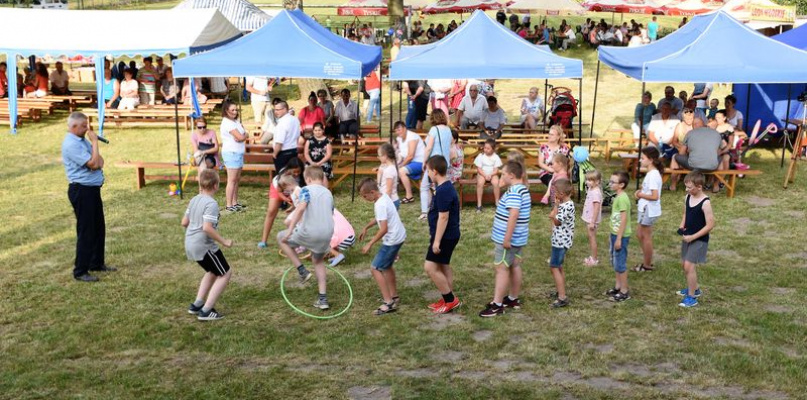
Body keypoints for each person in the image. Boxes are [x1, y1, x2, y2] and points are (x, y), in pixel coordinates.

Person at [61, 112, 116, 282]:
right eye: (84, 126)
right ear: (73, 126)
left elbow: (100, 162)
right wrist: (95, 142)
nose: (87, 129)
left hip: (91, 190)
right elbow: (93, 164)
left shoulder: (81, 140)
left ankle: (96, 263)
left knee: (98, 228)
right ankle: (80, 271)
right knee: (86, 231)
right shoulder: (71, 144)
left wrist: (93, 148)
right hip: (82, 190)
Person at [478, 161, 531, 317]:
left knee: (501, 268)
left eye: (503, 174)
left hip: (508, 240)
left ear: (511, 175)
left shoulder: (514, 192)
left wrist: (507, 239)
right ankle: (513, 299)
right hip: (519, 238)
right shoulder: (523, 189)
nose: (501, 177)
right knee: (514, 265)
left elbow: (513, 215)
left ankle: (497, 305)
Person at [278, 167, 335, 310]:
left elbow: (301, 208)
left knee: (280, 237)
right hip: (327, 234)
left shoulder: (305, 190)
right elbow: (330, 213)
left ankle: (302, 270)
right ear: (321, 178)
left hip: (309, 232)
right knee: (318, 261)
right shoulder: (328, 193)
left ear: (308, 179)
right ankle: (323, 299)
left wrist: (290, 230)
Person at [182, 169, 233, 321]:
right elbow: (207, 228)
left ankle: (197, 305)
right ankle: (206, 310)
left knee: (212, 271)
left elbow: (184, 222)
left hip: (189, 243)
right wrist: (224, 241)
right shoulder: (211, 204)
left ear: (201, 184)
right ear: (216, 185)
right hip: (204, 246)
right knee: (225, 273)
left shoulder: (194, 199)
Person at [358, 178, 406, 316]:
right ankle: (394, 297)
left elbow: (384, 229)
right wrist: (366, 227)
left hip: (392, 241)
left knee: (375, 268)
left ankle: (388, 303)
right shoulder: (383, 196)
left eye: (365, 196)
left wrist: (370, 243)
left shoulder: (380, 204)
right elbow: (380, 218)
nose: (364, 199)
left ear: (372, 192)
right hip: (399, 236)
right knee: (387, 266)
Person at [423, 156, 462, 314]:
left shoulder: (444, 191)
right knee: (443, 265)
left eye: (428, 170)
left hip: (445, 236)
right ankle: (448, 298)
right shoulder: (443, 187)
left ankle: (450, 300)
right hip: (448, 235)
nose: (427, 173)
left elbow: (444, 217)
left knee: (430, 267)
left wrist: (437, 241)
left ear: (434, 171)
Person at [677, 171, 715, 308]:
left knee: (689, 266)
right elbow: (686, 213)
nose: (686, 190)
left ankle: (692, 297)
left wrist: (693, 237)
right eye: (686, 187)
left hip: (699, 239)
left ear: (699, 187)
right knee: (684, 265)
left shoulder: (705, 203)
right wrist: (682, 226)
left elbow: (710, 224)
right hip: (688, 237)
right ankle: (695, 288)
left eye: (689, 187)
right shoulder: (688, 197)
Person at [259, 158, 304, 249]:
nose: (296, 174)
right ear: (289, 169)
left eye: (298, 172)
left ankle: (296, 240)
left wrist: (293, 204)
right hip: (278, 190)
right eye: (294, 172)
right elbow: (279, 191)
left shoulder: (303, 176)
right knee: (271, 211)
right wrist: (285, 199)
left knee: (298, 216)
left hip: (293, 192)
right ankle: (264, 241)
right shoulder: (282, 176)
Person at [669, 127, 726, 192]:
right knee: (721, 159)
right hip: (712, 166)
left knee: (674, 156)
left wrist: (690, 153)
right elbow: (718, 152)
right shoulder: (716, 133)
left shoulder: (690, 133)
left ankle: (673, 185)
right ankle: (716, 186)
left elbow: (681, 153)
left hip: (692, 166)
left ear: (693, 126)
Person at [419, 109, 453, 220]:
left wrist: (424, 161)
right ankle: (442, 209)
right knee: (441, 187)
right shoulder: (448, 130)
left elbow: (429, 148)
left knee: (424, 186)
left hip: (434, 162)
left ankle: (425, 211)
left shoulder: (434, 129)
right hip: (445, 162)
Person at [634, 147, 663, 272]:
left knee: (645, 236)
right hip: (645, 208)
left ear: (650, 160)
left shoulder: (653, 175)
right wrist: (641, 191)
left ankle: (647, 264)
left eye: (643, 158)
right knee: (640, 234)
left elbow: (655, 196)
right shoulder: (651, 174)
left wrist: (640, 195)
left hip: (648, 209)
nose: (640, 160)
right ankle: (646, 260)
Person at [547, 178, 575, 308]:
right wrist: (556, 207)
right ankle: (560, 291)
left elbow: (557, 222)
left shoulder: (567, 206)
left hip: (561, 241)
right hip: (559, 240)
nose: (554, 194)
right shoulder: (565, 204)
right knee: (559, 267)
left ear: (562, 194)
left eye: (555, 192)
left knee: (554, 267)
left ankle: (562, 297)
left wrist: (553, 215)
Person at [606, 171, 632, 302]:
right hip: (615, 234)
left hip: (620, 236)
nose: (610, 184)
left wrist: (619, 239)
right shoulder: (618, 196)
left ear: (621, 185)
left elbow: (623, 219)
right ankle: (618, 286)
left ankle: (624, 291)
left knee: (620, 263)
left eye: (613, 182)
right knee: (615, 261)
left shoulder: (622, 199)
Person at [220, 100, 248, 213]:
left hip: (238, 152)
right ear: (226, 111)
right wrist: (244, 135)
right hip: (231, 153)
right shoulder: (227, 123)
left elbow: (243, 134)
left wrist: (244, 135)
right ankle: (229, 205)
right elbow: (240, 137)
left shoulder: (235, 121)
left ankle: (235, 202)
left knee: (236, 180)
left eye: (236, 109)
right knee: (231, 180)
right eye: (232, 110)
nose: (235, 112)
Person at [394, 121, 426, 204]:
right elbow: (400, 154)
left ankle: (409, 196)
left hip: (420, 162)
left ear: (405, 128)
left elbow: (410, 156)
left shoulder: (412, 137)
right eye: (396, 131)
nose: (398, 132)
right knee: (391, 168)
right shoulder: (399, 139)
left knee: (401, 171)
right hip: (410, 162)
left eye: (399, 129)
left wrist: (400, 166)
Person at [272, 100, 302, 179]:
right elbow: (297, 136)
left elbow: (279, 142)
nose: (276, 112)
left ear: (285, 109)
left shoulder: (282, 122)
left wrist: (275, 154)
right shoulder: (295, 119)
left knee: (283, 178)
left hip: (283, 153)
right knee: (292, 177)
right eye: (275, 110)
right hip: (293, 151)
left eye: (278, 110)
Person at [473, 138, 503, 212]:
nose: (486, 150)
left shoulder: (496, 157)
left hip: (492, 173)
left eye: (488, 148)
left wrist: (490, 175)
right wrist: (485, 175)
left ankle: (497, 202)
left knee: (496, 183)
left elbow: (496, 170)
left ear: (493, 149)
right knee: (480, 183)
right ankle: (479, 204)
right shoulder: (481, 156)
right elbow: (479, 169)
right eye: (485, 148)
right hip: (482, 173)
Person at [582, 170, 603, 266]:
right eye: (587, 180)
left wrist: (592, 222)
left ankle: (594, 259)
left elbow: (596, 208)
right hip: (590, 219)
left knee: (592, 238)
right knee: (591, 237)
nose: (587, 182)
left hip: (592, 220)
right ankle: (592, 257)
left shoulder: (596, 193)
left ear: (597, 181)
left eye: (590, 180)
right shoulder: (591, 189)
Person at [377, 143, 400, 208]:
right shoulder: (387, 168)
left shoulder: (389, 170)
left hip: (391, 201)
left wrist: (385, 203)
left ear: (385, 156)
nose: (378, 158)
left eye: (379, 155)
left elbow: (389, 190)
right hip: (389, 199)